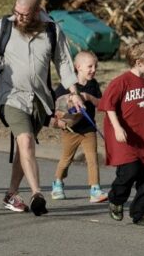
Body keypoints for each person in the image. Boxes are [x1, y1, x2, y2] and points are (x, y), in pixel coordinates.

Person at [0, 0, 83, 216]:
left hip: (39, 99)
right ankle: (37, 194)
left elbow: (64, 63)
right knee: (26, 141)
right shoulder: (4, 27)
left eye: (24, 14)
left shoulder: (52, 30)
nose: (19, 18)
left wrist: (74, 92)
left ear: (37, 11)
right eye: (16, 12)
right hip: (11, 96)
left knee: (23, 148)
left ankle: (11, 193)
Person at [99, 41, 144, 227]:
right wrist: (117, 127)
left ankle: (141, 212)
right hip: (126, 136)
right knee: (130, 171)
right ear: (139, 62)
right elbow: (108, 106)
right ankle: (116, 199)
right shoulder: (121, 81)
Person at [50, 50, 108, 204]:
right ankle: (57, 183)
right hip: (71, 130)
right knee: (66, 159)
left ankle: (95, 189)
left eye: (95, 66)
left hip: (89, 128)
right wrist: (60, 119)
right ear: (78, 67)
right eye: (90, 66)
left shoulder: (93, 84)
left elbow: (101, 104)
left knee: (92, 158)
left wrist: (88, 97)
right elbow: (55, 106)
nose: (93, 70)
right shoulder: (67, 85)